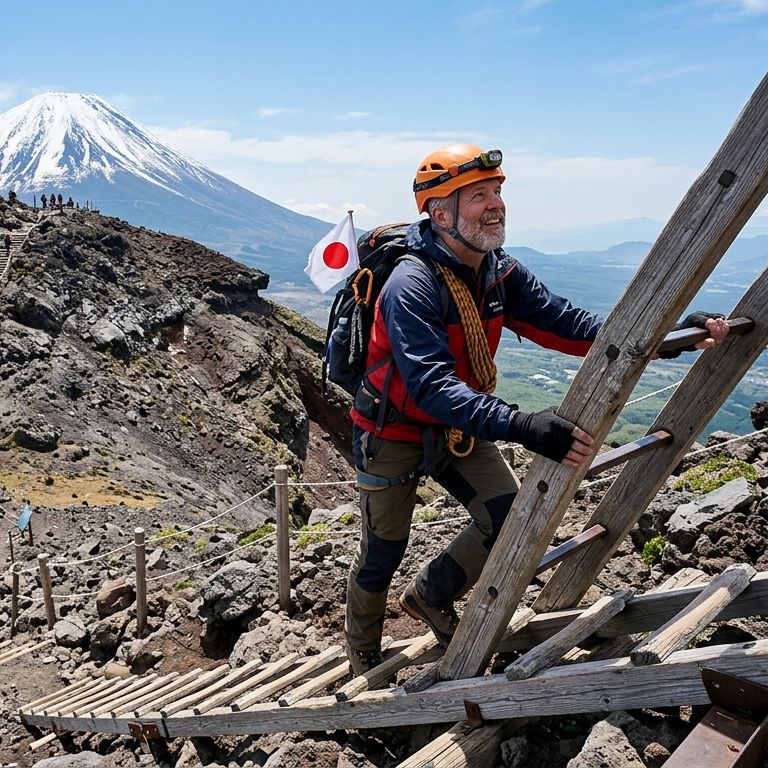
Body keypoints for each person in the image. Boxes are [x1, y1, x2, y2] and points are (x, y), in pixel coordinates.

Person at [342, 143, 729, 675]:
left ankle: (429, 596)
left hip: (459, 427)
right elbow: (431, 385)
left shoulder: (498, 273)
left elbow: (574, 326)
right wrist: (522, 425)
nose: (495, 204)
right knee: (384, 548)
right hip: (393, 431)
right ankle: (361, 653)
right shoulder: (412, 284)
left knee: (509, 517)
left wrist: (674, 332)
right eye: (478, 195)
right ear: (438, 212)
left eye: (497, 192)